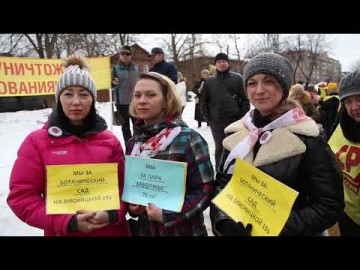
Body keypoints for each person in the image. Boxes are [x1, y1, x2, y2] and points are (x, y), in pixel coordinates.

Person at [210, 52, 344, 236]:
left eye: (268, 81)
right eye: (252, 83)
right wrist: (224, 222)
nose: (259, 90)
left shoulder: (309, 137)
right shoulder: (236, 133)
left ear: (283, 87)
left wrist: (275, 228)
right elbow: (222, 183)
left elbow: (329, 204)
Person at [7, 55, 131, 236]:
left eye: (83, 94)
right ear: (59, 99)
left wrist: (112, 214)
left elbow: (124, 190)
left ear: (92, 99)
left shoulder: (110, 141)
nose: (76, 102)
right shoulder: (36, 142)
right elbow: (22, 197)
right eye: (68, 94)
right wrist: (68, 222)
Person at [126, 71, 214, 236]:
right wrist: (133, 206)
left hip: (183, 231)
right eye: (137, 95)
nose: (142, 101)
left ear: (166, 101)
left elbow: (205, 190)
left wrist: (168, 215)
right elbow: (134, 187)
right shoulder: (134, 143)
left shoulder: (188, 139)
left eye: (151, 95)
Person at [201, 52, 250, 171]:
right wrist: (209, 119)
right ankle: (220, 172)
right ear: (215, 65)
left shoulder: (237, 78)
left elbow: (245, 100)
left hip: (235, 121)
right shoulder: (209, 82)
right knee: (219, 149)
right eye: (219, 61)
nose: (221, 63)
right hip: (216, 122)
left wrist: (240, 118)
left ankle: (236, 172)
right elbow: (203, 102)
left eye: (224, 61)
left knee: (236, 147)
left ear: (228, 63)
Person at [328, 70, 360, 236]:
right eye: (348, 101)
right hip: (346, 212)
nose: (354, 107)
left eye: (359, 98)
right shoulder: (342, 125)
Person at [111, 45, 140, 143]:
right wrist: (112, 83)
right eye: (122, 53)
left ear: (131, 55)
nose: (125, 56)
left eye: (127, 54)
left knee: (138, 126)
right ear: (120, 55)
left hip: (135, 102)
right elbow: (109, 85)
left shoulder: (136, 68)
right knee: (125, 128)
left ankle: (138, 145)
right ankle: (129, 146)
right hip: (122, 103)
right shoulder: (115, 69)